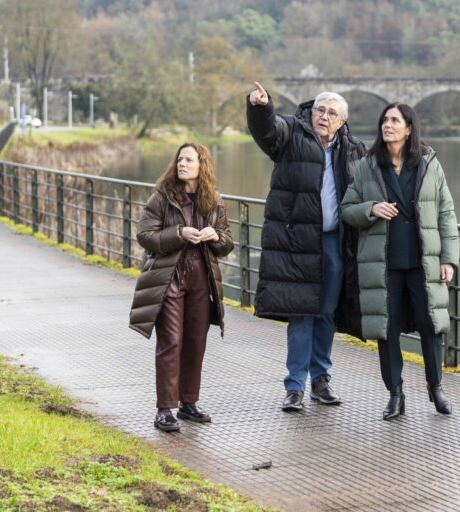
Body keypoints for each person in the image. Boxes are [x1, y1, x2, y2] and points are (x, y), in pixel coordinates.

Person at [246, 82, 366, 411]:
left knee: (326, 313)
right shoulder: (291, 135)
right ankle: (295, 386)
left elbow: (372, 187)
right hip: (297, 242)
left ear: (343, 120)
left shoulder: (354, 149)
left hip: (335, 243)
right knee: (302, 313)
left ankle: (321, 380)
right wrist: (261, 107)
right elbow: (267, 130)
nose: (323, 117)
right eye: (319, 111)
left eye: (331, 113)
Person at [341, 103, 459, 420]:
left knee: (431, 326)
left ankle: (436, 388)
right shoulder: (368, 166)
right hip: (383, 264)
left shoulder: (429, 164)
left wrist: (449, 259)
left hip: (424, 264)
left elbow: (447, 214)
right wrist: (371, 209)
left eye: (395, 120)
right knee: (386, 329)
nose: (387, 125)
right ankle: (395, 395)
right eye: (384, 120)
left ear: (409, 128)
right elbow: (347, 209)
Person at [129, 143, 234, 432]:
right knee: (171, 342)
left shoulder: (213, 200)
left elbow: (227, 244)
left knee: (195, 341)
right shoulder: (162, 197)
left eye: (189, 159)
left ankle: (188, 403)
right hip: (169, 275)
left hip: (202, 275)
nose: (182, 164)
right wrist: (179, 233)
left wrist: (214, 236)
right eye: (179, 159)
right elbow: (145, 236)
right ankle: (165, 409)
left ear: (203, 165)